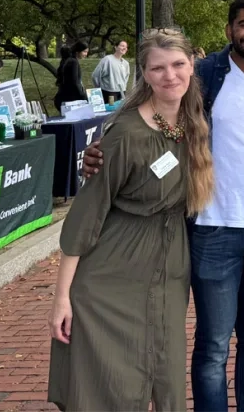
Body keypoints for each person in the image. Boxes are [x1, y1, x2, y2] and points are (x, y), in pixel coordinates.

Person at [82, 0, 244, 411]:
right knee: (214, 344)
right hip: (213, 229)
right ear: (229, 30)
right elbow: (148, 111)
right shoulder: (205, 76)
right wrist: (102, 146)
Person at [47, 29, 214, 411]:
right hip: (114, 272)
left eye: (178, 65)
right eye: (158, 68)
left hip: (170, 267)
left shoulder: (193, 122)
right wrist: (61, 300)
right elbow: (86, 216)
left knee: (165, 369)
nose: (169, 75)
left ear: (192, 67)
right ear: (144, 73)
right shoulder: (126, 134)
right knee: (115, 383)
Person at [54, 41, 89, 112]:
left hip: (64, 98)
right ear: (77, 52)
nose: (86, 54)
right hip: (68, 100)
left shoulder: (69, 61)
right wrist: (84, 97)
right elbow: (75, 82)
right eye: (84, 52)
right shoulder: (73, 62)